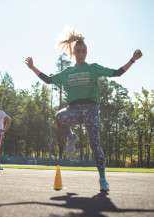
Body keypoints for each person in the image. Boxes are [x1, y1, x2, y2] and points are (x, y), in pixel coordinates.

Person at [25, 28, 142, 191]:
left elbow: (117, 73)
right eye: (77, 52)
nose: (80, 54)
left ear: (86, 53)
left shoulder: (93, 68)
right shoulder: (67, 72)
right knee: (59, 117)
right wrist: (32, 67)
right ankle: (71, 136)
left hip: (91, 110)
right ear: (73, 53)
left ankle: (102, 179)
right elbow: (48, 80)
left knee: (95, 146)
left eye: (83, 51)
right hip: (74, 109)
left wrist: (133, 59)